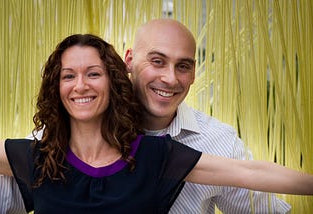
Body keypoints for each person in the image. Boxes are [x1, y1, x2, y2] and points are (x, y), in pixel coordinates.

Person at [0, 34, 313, 214]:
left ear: (113, 82)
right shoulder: (38, 157)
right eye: (68, 76)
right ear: (56, 87)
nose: (81, 86)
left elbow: (249, 172)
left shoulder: (153, 155)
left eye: (93, 73)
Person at [124, 18, 292, 213]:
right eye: (157, 61)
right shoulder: (93, 130)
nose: (170, 79)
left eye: (183, 66)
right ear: (129, 60)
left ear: (194, 72)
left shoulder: (219, 141)